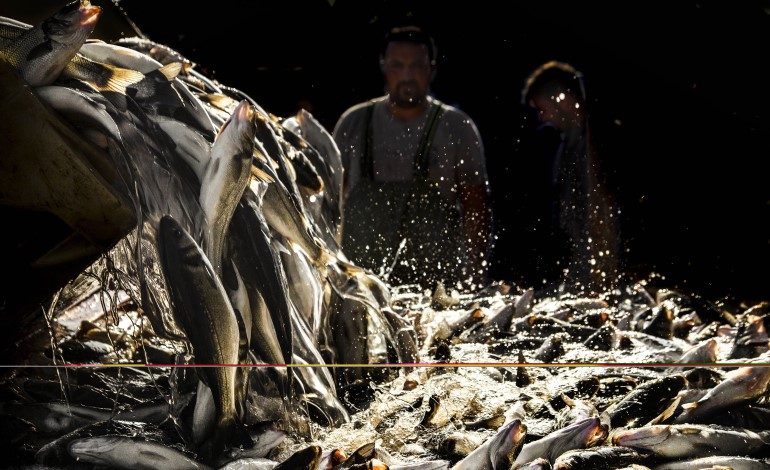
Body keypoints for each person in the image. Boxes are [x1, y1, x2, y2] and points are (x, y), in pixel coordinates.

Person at [333, 26, 491, 288]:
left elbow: (476, 207)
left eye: (416, 66)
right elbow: (329, 205)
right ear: (384, 67)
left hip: (437, 285)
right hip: (361, 287)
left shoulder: (456, 127)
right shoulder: (354, 123)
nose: (407, 75)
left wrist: (474, 276)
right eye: (398, 65)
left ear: (431, 69)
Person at [517, 61, 620, 293]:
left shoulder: (603, 141)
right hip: (581, 271)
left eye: (542, 109)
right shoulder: (566, 147)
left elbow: (606, 213)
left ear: (562, 99)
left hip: (607, 273)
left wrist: (606, 274)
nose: (542, 119)